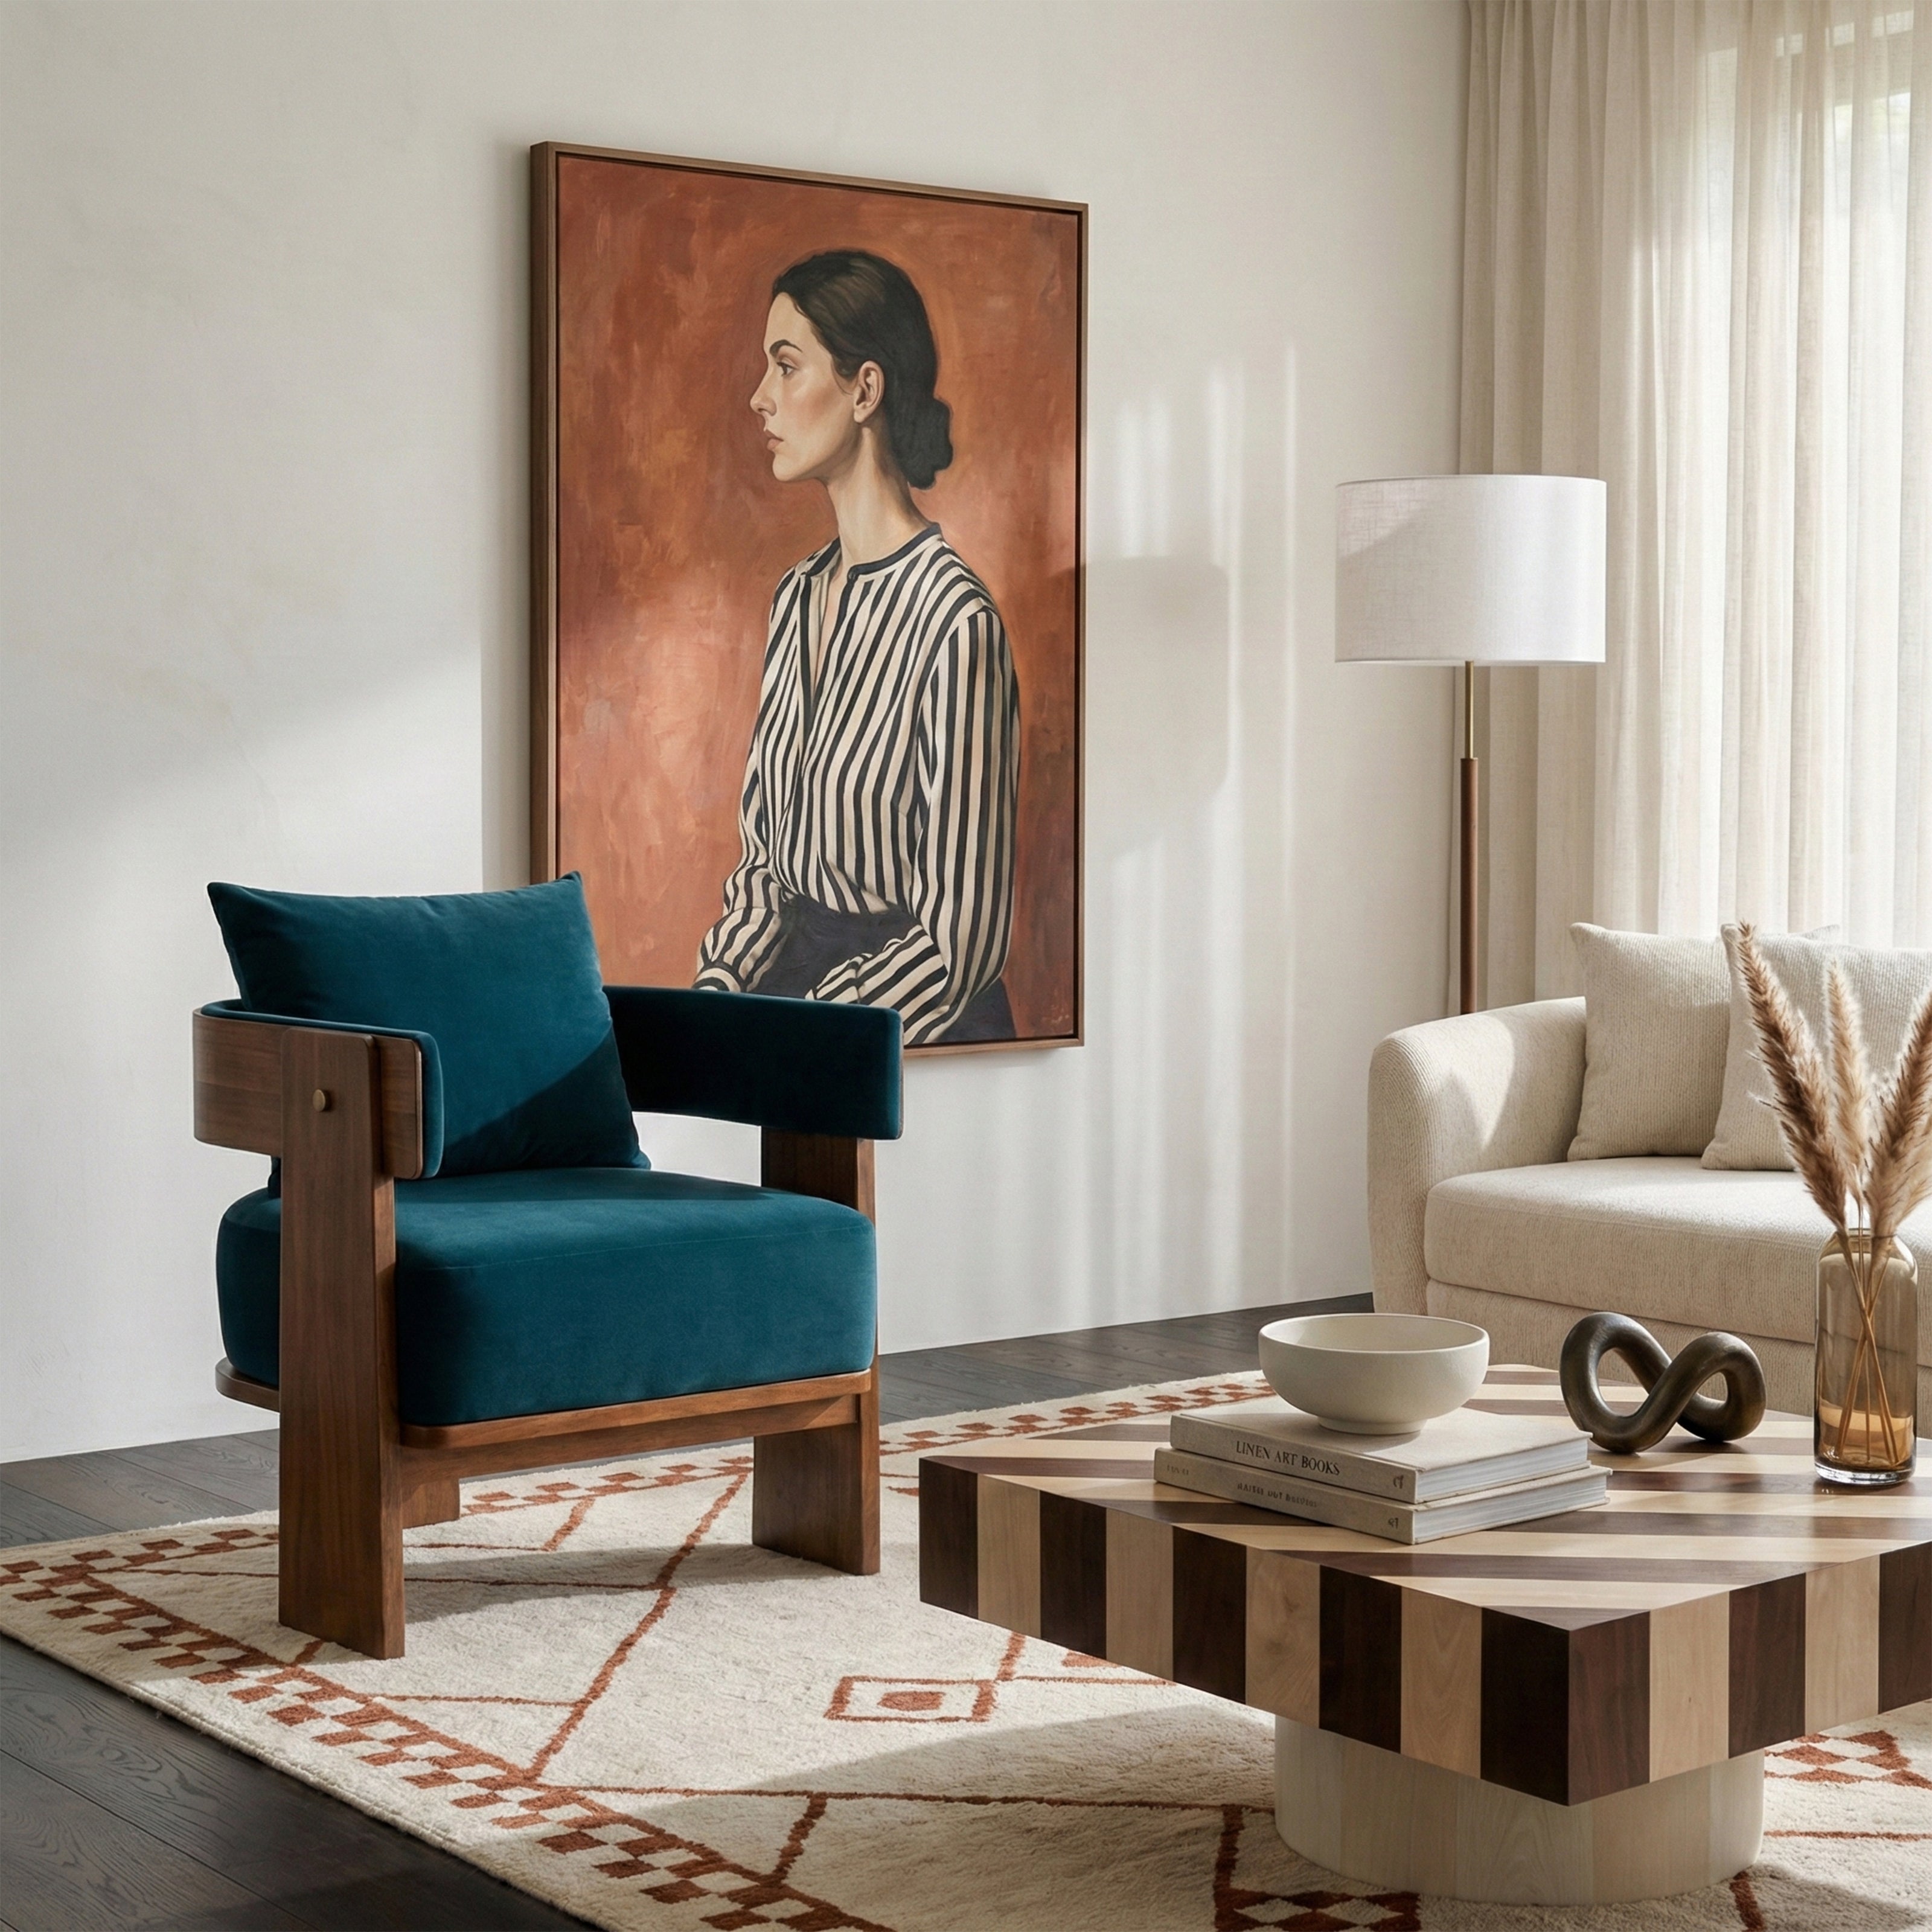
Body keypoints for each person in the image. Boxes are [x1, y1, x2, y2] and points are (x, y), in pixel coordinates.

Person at [694, 250, 1020, 1045]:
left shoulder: (956, 622)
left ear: (864, 389)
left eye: (785, 366)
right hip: (795, 1000)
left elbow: (960, 943)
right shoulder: (798, 597)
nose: (759, 398)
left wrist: (802, 1031)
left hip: (903, 1028)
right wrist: (711, 999)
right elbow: (768, 870)